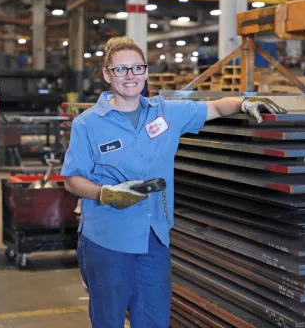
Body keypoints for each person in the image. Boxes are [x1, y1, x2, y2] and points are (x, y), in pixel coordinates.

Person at [62, 36, 286, 328]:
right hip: (107, 241)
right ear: (107, 74)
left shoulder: (166, 112)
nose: (130, 77)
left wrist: (244, 102)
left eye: (137, 68)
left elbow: (215, 108)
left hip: (153, 238)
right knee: (109, 320)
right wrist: (105, 194)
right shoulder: (88, 124)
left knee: (153, 320)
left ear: (145, 72)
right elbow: (71, 179)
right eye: (121, 70)